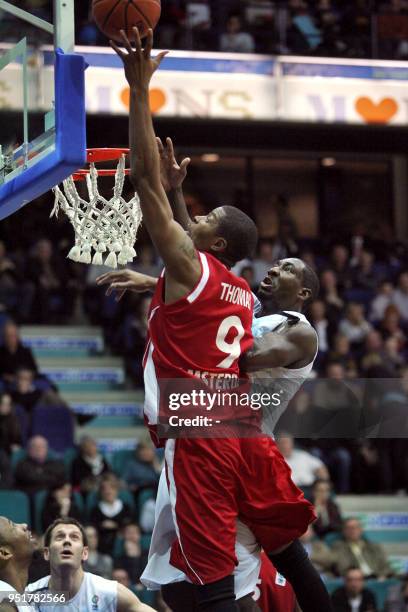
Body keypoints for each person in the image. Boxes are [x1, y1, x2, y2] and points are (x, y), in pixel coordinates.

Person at [96, 68, 330, 610]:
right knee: (288, 552)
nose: (193, 216)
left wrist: (136, 88)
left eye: (204, 216)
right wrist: (155, 281)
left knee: (213, 580)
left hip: (204, 428)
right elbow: (194, 267)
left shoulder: (295, 329)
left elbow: (148, 188)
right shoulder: (243, 295)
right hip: (240, 431)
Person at [26, 517, 156, 611]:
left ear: (85, 553)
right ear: (47, 553)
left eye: (74, 537)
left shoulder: (109, 592)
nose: (67, 541)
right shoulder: (29, 596)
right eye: (60, 537)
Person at [90, 475, 134, 556]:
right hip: (101, 547)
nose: (108, 491)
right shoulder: (95, 511)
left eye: (111, 488)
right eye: (104, 489)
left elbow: (130, 527)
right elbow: (93, 528)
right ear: (100, 492)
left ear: (117, 490)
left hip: (123, 547)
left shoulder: (126, 508)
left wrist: (115, 527)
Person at [0, 516, 36, 612]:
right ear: (4, 553)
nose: (24, 525)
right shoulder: (5, 605)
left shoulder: (18, 598)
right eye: (13, 526)